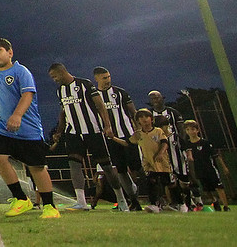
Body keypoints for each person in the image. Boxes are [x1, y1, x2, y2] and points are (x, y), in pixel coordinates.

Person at [0, 38, 60, 218]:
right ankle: (21, 199)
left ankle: (50, 206)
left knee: (36, 168)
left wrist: (17, 115)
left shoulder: (21, 71)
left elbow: (27, 95)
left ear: (10, 52)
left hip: (29, 129)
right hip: (5, 128)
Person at [47, 63, 129, 211]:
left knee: (107, 167)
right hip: (73, 133)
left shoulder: (85, 84)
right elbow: (63, 112)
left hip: (93, 131)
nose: (54, 80)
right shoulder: (60, 90)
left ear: (62, 72)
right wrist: (59, 131)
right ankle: (81, 202)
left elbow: (100, 105)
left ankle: (121, 199)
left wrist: (107, 125)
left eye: (55, 76)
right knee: (74, 164)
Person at [92, 66, 143, 210]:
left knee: (137, 169)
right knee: (120, 170)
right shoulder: (93, 96)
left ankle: (146, 198)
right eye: (104, 78)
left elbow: (133, 112)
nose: (108, 80)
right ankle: (132, 200)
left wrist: (139, 130)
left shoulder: (120, 93)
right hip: (109, 139)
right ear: (96, 79)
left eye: (108, 77)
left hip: (128, 136)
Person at [148, 90, 191, 211]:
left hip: (175, 148)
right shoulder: (149, 115)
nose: (155, 100)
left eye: (157, 97)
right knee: (166, 179)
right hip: (159, 152)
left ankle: (190, 200)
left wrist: (183, 145)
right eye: (152, 98)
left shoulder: (173, 112)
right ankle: (173, 203)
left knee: (183, 181)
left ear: (162, 98)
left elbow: (181, 130)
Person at [128, 109, 171, 213]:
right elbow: (127, 143)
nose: (144, 119)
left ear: (151, 119)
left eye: (146, 117)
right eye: (141, 117)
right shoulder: (138, 134)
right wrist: (113, 138)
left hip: (162, 162)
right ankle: (154, 204)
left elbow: (165, 143)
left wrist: (160, 153)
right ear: (138, 121)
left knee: (168, 183)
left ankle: (178, 203)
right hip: (148, 163)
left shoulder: (158, 131)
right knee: (151, 182)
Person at [184, 119, 230, 211]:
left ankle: (225, 206)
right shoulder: (187, 144)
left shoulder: (205, 143)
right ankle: (214, 201)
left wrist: (224, 167)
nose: (191, 132)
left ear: (197, 130)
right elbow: (189, 157)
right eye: (188, 129)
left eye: (193, 129)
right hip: (199, 169)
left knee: (218, 187)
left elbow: (216, 155)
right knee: (206, 190)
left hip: (210, 168)